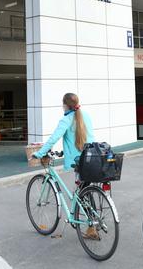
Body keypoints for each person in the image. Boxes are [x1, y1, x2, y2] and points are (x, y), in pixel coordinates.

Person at [32, 93, 98, 239]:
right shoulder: (85, 115)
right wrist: (64, 151)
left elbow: (53, 139)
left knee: (81, 192)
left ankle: (91, 227)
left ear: (65, 105)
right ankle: (92, 223)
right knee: (84, 190)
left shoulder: (66, 120)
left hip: (79, 161)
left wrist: (39, 153)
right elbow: (84, 138)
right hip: (92, 157)